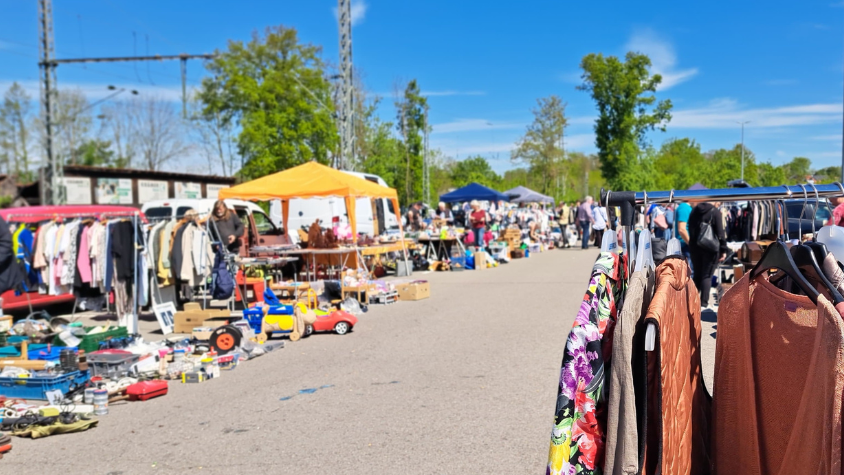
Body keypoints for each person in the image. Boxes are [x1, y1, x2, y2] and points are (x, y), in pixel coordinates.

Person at [688, 200, 727, 309]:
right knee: (707, 276)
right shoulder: (714, 212)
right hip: (710, 249)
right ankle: (703, 304)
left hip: (695, 248)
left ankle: (692, 301)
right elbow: (720, 233)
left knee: (697, 275)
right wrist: (723, 249)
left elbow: (690, 228)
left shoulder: (694, 211)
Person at [674, 200, 693, 276]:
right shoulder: (684, 208)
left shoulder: (686, 207)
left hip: (686, 244)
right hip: (685, 245)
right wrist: (691, 244)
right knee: (687, 274)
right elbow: (682, 229)